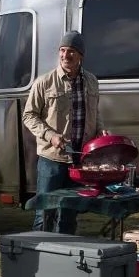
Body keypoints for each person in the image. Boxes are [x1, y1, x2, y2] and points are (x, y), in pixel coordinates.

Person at [22, 31, 107, 234]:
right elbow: (29, 116)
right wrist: (50, 135)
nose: (65, 55)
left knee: (70, 213)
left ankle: (64, 259)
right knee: (45, 213)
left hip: (80, 160)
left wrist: (100, 130)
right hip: (52, 160)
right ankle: (39, 257)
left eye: (71, 51)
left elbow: (95, 111)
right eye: (62, 50)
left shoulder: (92, 81)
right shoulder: (44, 82)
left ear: (81, 56)